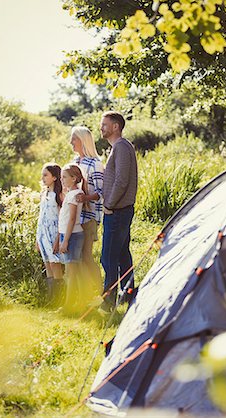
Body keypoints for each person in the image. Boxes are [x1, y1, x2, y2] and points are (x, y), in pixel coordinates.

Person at [100, 111, 138, 310]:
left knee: (108, 257)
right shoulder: (119, 148)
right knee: (122, 255)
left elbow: (122, 180)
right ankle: (129, 295)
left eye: (104, 124)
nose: (101, 128)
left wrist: (109, 204)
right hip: (120, 210)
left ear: (116, 126)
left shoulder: (122, 147)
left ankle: (108, 302)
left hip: (117, 211)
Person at [70, 126, 104, 299]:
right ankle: (84, 295)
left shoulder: (95, 163)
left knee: (86, 256)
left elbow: (101, 192)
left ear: (83, 141)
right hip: (73, 218)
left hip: (89, 217)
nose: (71, 142)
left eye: (74, 139)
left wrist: (86, 198)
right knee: (76, 257)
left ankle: (100, 292)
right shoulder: (75, 162)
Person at [36, 163, 64, 306]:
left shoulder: (58, 195)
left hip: (53, 234)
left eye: (45, 175)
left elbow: (61, 219)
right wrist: (37, 239)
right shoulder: (44, 194)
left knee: (55, 265)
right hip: (43, 234)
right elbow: (41, 217)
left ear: (54, 177)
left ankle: (59, 300)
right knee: (47, 265)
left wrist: (58, 240)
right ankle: (51, 299)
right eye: (42, 175)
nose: (43, 178)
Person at [59, 164, 85, 312]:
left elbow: (72, 219)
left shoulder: (75, 194)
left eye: (64, 177)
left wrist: (66, 240)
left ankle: (69, 306)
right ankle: (77, 303)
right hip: (69, 234)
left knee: (71, 273)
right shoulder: (71, 193)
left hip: (72, 236)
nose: (62, 180)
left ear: (74, 178)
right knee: (73, 272)